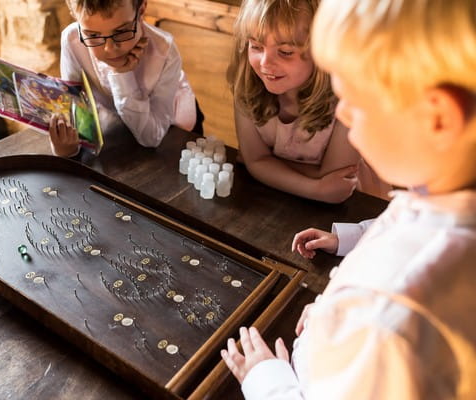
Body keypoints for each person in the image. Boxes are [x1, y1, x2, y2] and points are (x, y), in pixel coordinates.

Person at [221, 0, 476, 398]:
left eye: (356, 103)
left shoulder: (391, 316)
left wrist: (265, 377)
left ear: (437, 117)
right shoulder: (439, 191)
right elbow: (400, 221)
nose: (349, 123)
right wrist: (347, 244)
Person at [227, 0, 369, 204]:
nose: (265, 63)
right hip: (282, 201)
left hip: (356, 207)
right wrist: (317, 188)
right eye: (256, 46)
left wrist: (266, 164)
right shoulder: (247, 87)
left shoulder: (350, 100)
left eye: (285, 52)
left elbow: (338, 182)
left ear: (322, 49)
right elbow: (256, 162)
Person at [49, 0, 204, 157]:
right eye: (93, 35)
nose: (110, 49)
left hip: (172, 120)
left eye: (121, 32)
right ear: (74, 16)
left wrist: (121, 74)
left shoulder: (164, 51)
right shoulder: (72, 40)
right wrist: (67, 149)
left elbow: (151, 137)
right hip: (120, 120)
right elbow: (76, 108)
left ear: (141, 10)